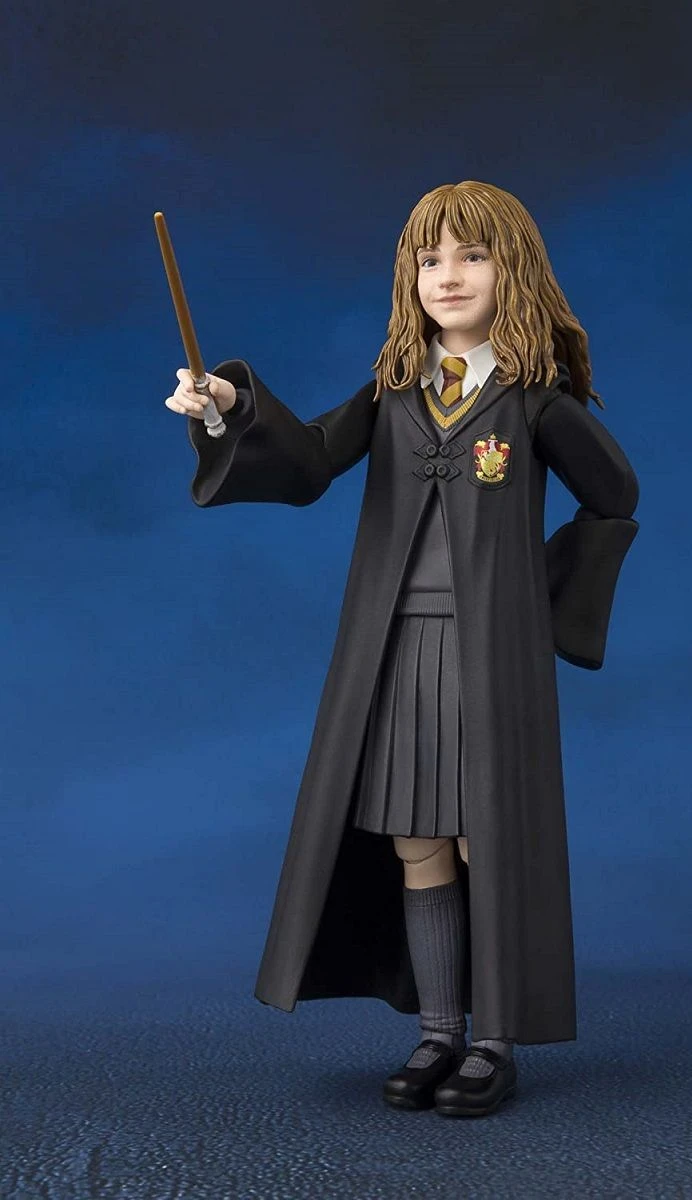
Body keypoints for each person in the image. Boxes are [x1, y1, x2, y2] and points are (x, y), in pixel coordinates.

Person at [165, 180, 639, 1118]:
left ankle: (493, 1042)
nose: (448, 276)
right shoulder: (393, 392)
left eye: (472, 256)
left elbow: (613, 496)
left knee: (482, 835)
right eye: (430, 260)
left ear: (513, 270)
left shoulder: (533, 403)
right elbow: (307, 461)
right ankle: (437, 1031)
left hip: (489, 659)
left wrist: (546, 607)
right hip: (393, 652)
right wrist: (224, 403)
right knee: (416, 838)